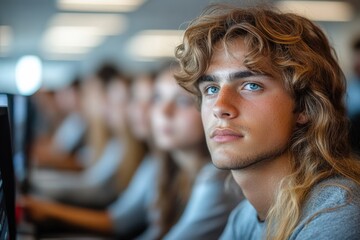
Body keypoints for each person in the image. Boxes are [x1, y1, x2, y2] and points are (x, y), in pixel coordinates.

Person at [175, 4, 360, 240]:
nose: (220, 107)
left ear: (304, 105)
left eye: (251, 86)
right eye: (211, 88)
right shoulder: (243, 217)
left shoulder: (339, 213)